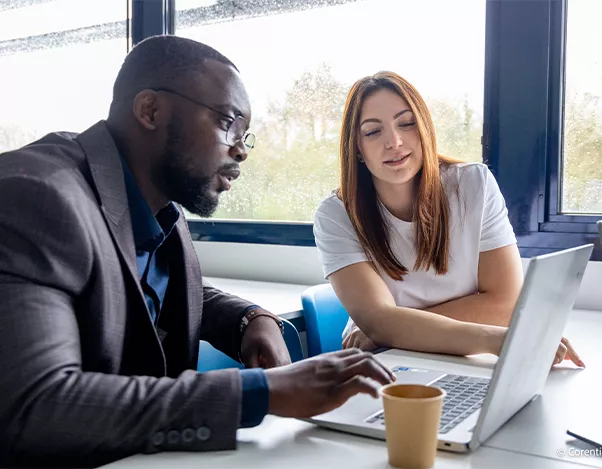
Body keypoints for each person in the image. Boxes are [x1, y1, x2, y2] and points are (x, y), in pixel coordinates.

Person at [0, 36, 394, 468]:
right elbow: (38, 408)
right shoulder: (35, 196)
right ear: (150, 110)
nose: (241, 151)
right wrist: (265, 392)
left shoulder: (159, 205)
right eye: (228, 123)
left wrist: (248, 319)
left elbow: (130, 284)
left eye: (247, 136)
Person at [313, 71, 584, 367]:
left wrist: (395, 329)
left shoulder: (474, 185)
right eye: (373, 132)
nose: (394, 141)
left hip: (458, 358)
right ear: (358, 149)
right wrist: (494, 339)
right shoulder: (336, 215)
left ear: (426, 130)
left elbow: (506, 304)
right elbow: (379, 321)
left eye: (407, 123)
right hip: (388, 363)